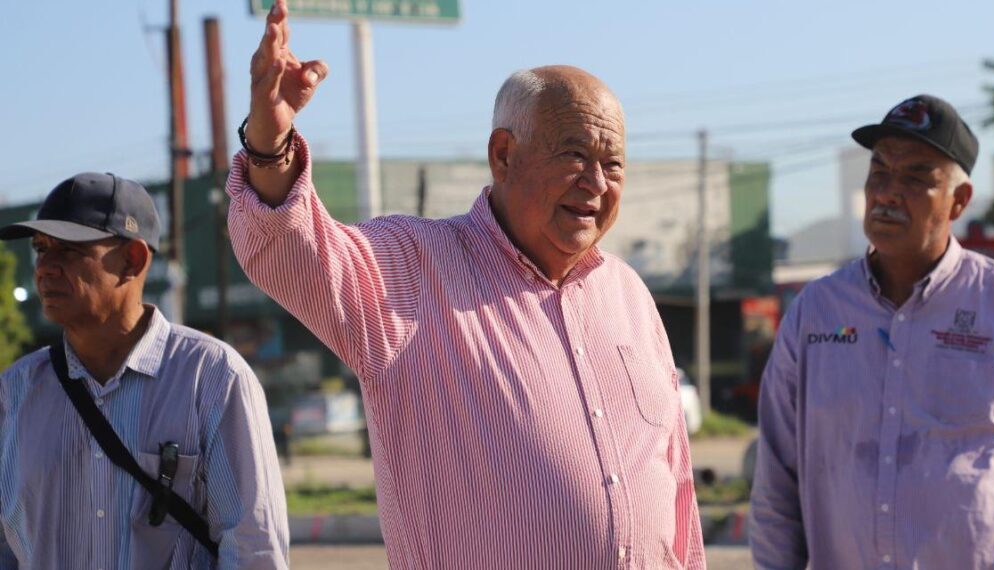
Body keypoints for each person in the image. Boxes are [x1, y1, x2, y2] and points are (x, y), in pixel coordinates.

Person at [225, 1, 704, 568]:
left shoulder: (628, 295)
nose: (597, 183)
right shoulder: (414, 269)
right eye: (574, 154)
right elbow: (289, 249)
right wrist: (269, 147)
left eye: (614, 164)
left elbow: (677, 494)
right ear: (504, 155)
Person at [748, 94, 994, 569]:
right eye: (879, 172)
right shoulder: (815, 311)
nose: (888, 192)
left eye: (917, 177)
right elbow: (777, 478)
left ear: (959, 201)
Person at [0, 173, 289, 568]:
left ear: (133, 260)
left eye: (68, 250)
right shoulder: (15, 392)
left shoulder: (211, 377)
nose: (45, 267)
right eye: (40, 248)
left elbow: (253, 549)